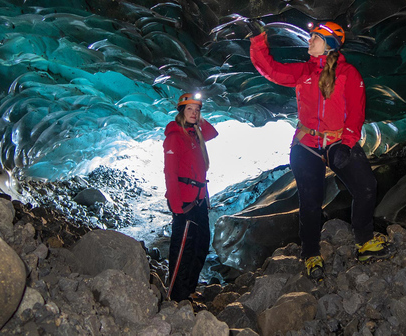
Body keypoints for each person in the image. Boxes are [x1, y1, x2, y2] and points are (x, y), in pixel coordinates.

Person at [248, 20, 389, 279]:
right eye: (311, 37)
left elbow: (356, 114)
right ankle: (311, 254)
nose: (309, 41)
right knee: (310, 202)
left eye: (315, 37)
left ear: (329, 45)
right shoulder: (304, 72)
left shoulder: (349, 74)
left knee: (366, 186)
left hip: (337, 141)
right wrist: (259, 39)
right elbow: (270, 69)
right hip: (306, 144)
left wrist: (346, 144)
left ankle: (365, 240)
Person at [163, 92, 218, 301]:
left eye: (197, 110)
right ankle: (176, 295)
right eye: (189, 110)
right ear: (181, 112)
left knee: (201, 243)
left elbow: (213, 132)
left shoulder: (195, 135)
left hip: (200, 199)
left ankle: (189, 289)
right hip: (185, 202)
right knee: (183, 249)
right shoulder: (175, 138)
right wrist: (176, 206)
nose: (194, 113)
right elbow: (170, 173)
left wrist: (197, 121)